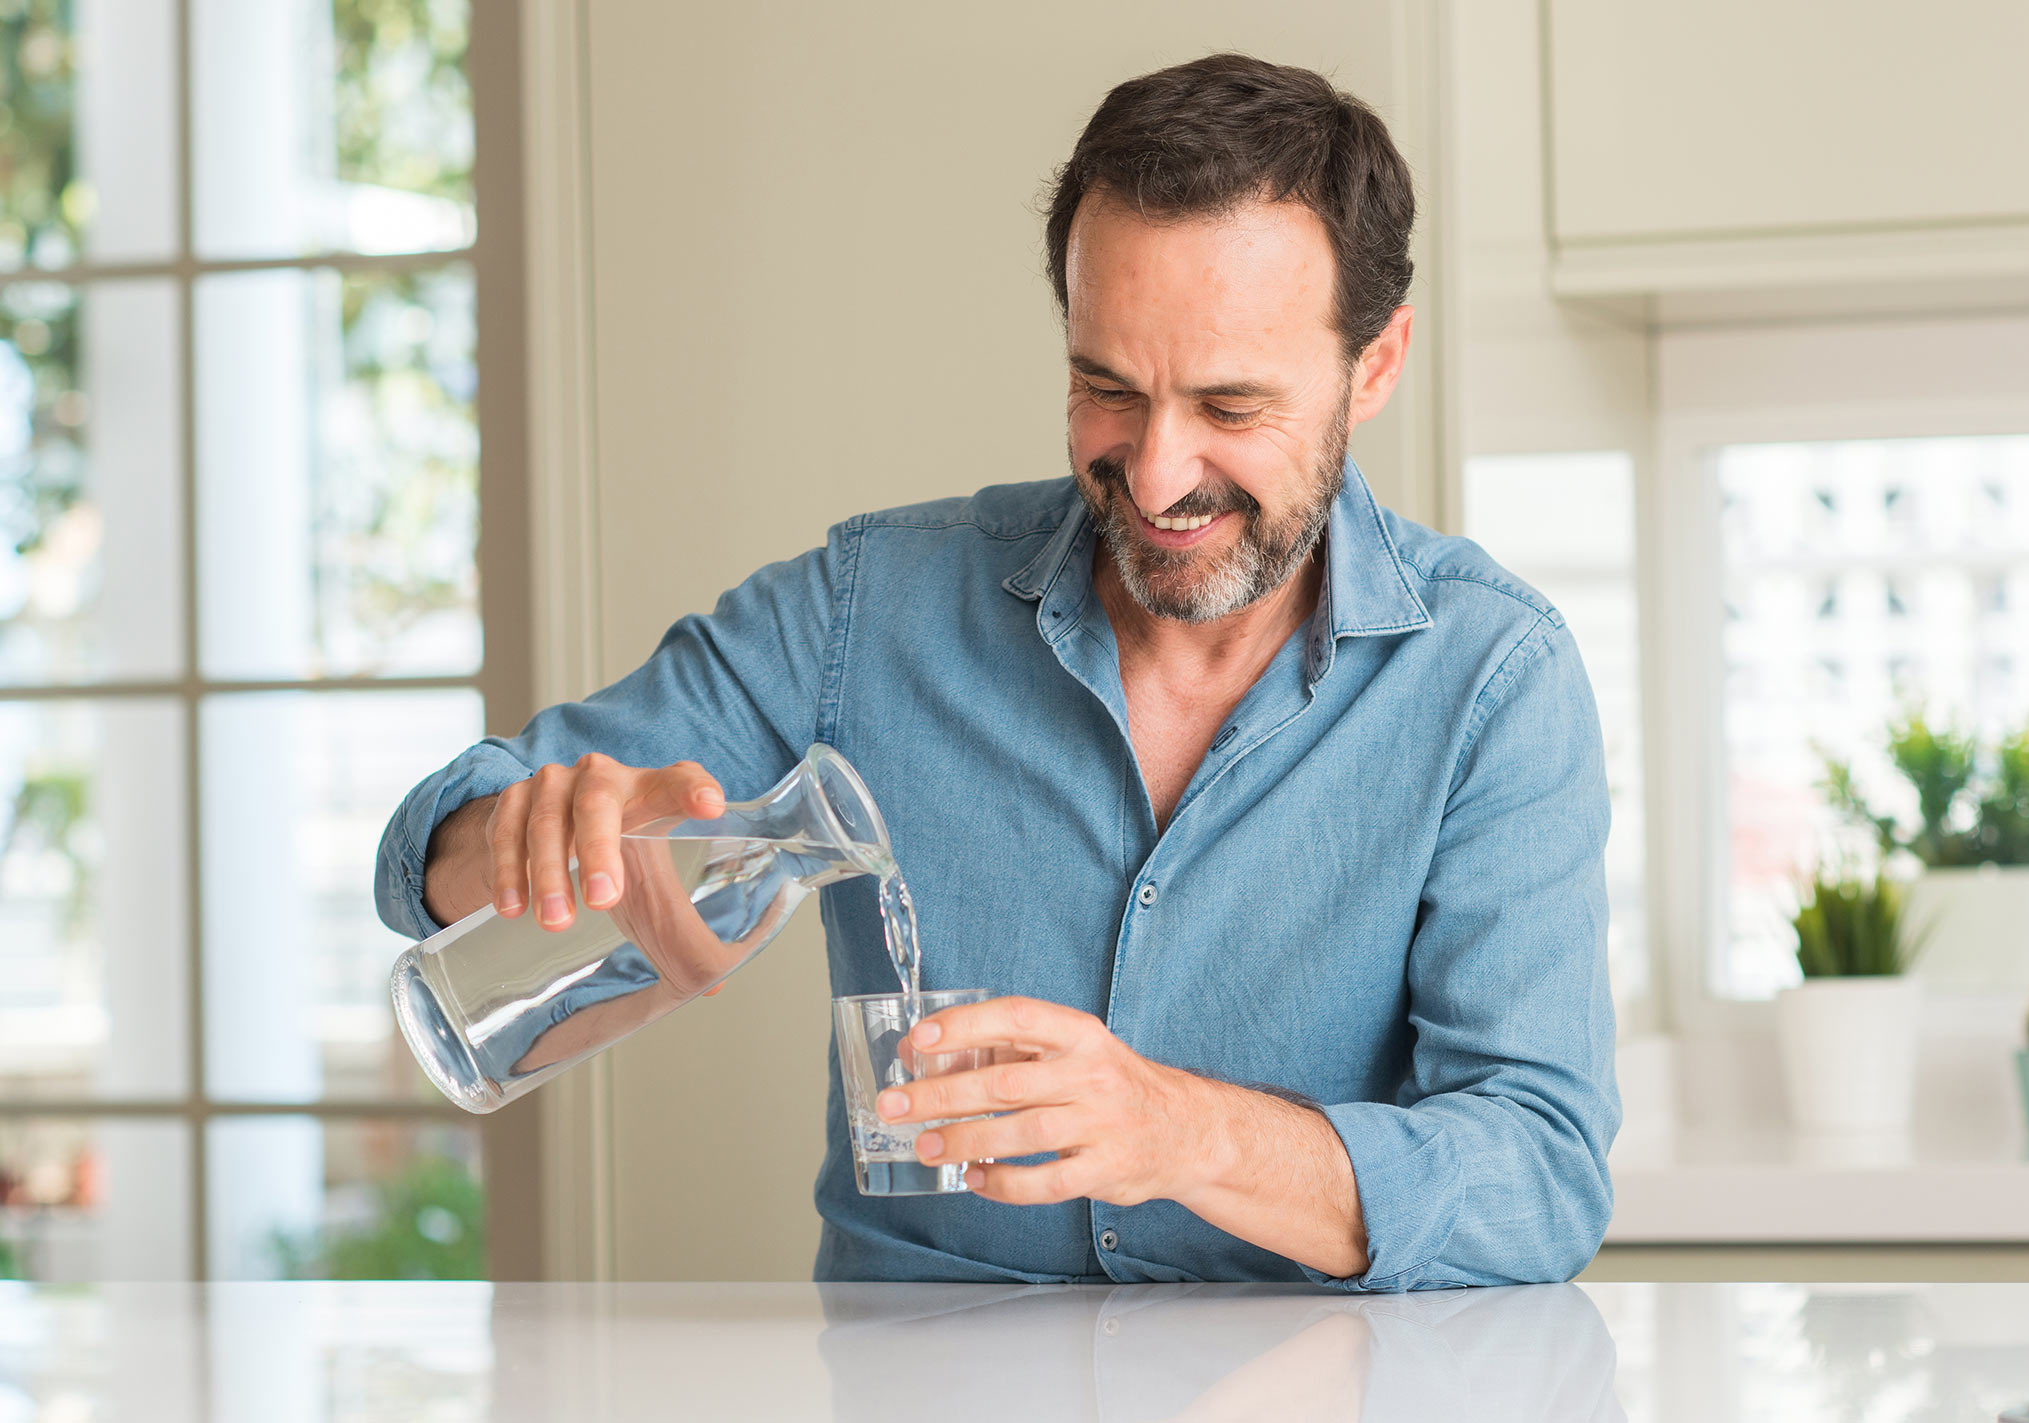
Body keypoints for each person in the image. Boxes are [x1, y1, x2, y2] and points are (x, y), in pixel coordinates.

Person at [377, 53, 1619, 1290]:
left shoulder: (1490, 682)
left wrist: (1178, 1132)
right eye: (1105, 388)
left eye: (1232, 407)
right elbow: (423, 856)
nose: (1156, 472)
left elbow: (1542, 1177)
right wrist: (525, 837)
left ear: (1378, 362)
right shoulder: (870, 612)